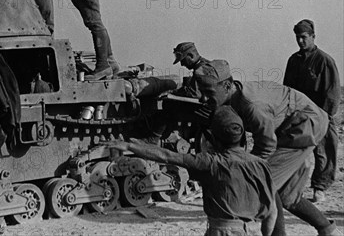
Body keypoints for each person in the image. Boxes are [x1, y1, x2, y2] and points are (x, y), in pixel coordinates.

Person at [195, 59, 339, 236]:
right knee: (288, 196)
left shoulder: (252, 105)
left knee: (267, 183)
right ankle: (328, 230)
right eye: (201, 93)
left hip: (304, 127)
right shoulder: (232, 98)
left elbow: (266, 145)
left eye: (208, 93)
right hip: (290, 130)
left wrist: (245, 169)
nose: (203, 98)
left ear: (227, 85)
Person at [106, 106, 277, 236]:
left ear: (214, 139)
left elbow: (167, 156)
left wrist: (129, 145)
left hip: (223, 231)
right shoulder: (261, 165)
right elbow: (272, 212)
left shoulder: (212, 163)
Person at [284, 19, 341, 203]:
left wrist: (325, 117)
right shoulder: (293, 61)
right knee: (294, 150)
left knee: (325, 151)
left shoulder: (325, 61)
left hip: (322, 112)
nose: (300, 41)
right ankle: (292, 187)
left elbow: (332, 92)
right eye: (297, 38)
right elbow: (288, 90)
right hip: (300, 114)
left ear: (313, 37)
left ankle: (320, 187)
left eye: (304, 37)